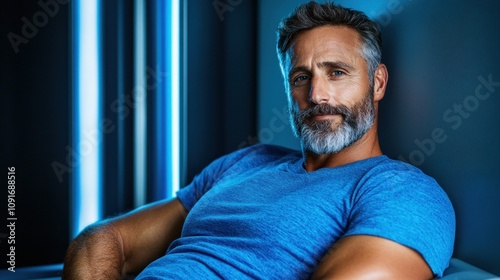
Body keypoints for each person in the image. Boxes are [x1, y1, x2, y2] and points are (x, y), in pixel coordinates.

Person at [62, 2, 455, 279]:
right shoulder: (247, 162)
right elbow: (105, 239)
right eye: (301, 78)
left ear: (378, 82)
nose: (317, 95)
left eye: (336, 73)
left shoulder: (402, 191)